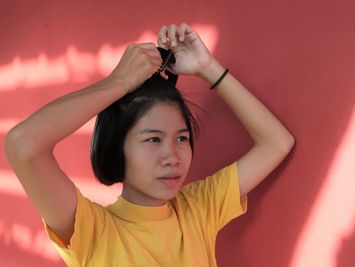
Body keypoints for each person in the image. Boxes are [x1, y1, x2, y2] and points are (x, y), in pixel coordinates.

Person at [4, 23, 295, 266]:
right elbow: (23, 144)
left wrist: (207, 67)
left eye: (181, 138)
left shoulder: (199, 209)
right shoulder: (92, 230)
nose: (172, 156)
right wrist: (119, 82)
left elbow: (277, 143)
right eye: (153, 139)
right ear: (118, 147)